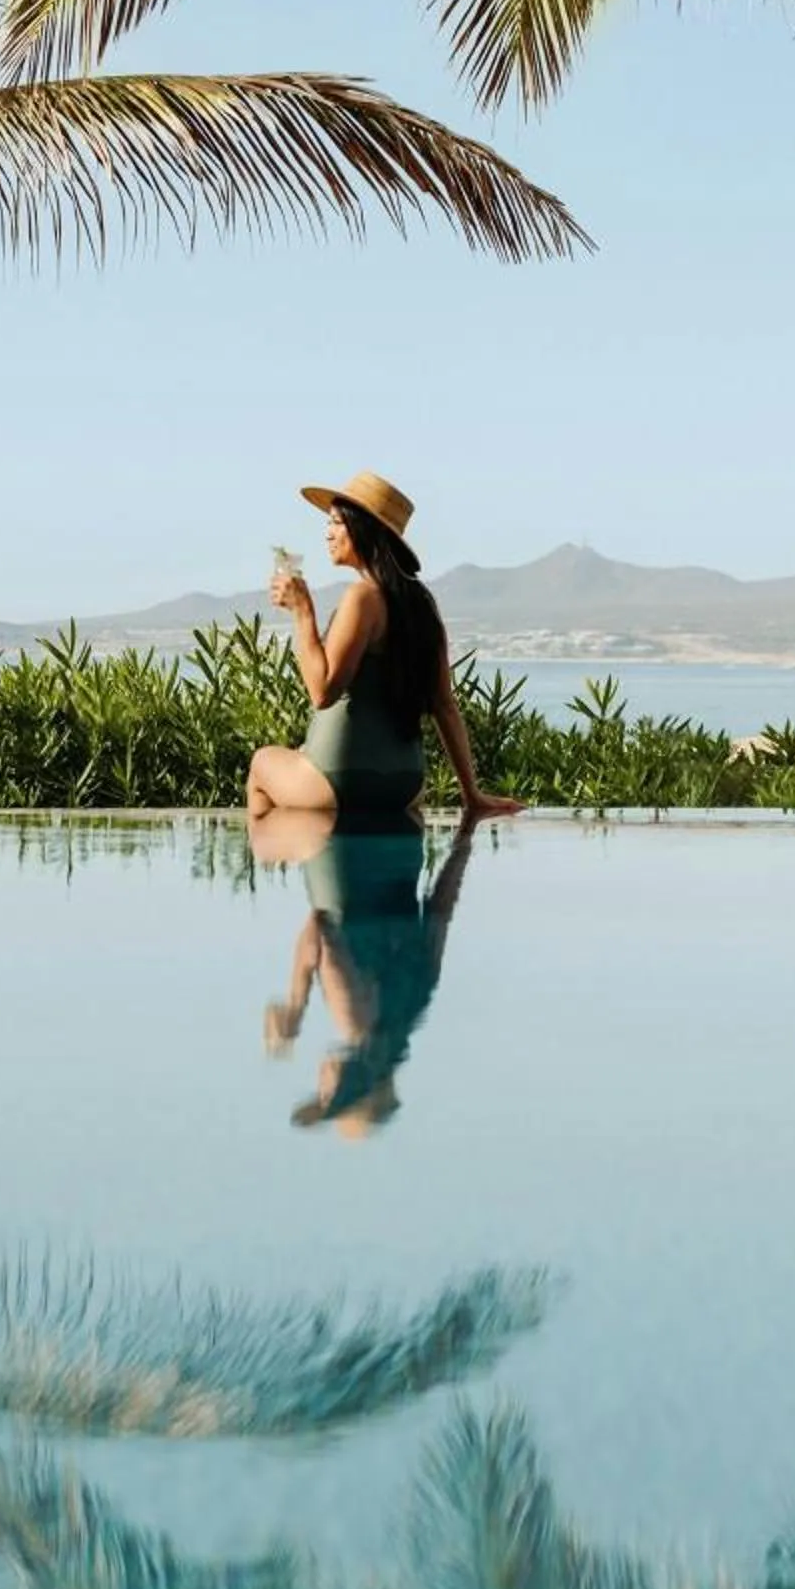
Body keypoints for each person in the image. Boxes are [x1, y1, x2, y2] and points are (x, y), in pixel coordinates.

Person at [247, 471, 523, 824]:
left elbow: (322, 693)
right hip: (405, 785)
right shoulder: (422, 605)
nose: (327, 533)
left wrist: (303, 613)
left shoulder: (362, 597)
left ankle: (303, 851)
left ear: (365, 529)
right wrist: (472, 794)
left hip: (339, 781)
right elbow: (444, 705)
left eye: (336, 522)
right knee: (298, 759)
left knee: (262, 763)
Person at [260, 812, 479, 1134]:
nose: (321, 1082)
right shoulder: (355, 1018)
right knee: (261, 786)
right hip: (340, 823)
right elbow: (321, 925)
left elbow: (442, 906)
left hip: (404, 825)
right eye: (325, 1092)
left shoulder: (417, 1000)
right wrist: (296, 1001)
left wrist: (466, 837)